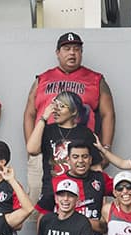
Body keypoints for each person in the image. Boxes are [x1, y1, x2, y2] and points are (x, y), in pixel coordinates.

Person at [24, 33, 116, 202]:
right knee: (42, 205)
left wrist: (106, 149)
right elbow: (30, 114)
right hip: (46, 150)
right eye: (67, 49)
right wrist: (32, 145)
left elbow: (108, 114)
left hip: (82, 153)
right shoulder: (42, 78)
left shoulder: (96, 79)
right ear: (57, 53)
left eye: (76, 49)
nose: (72, 53)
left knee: (85, 203)